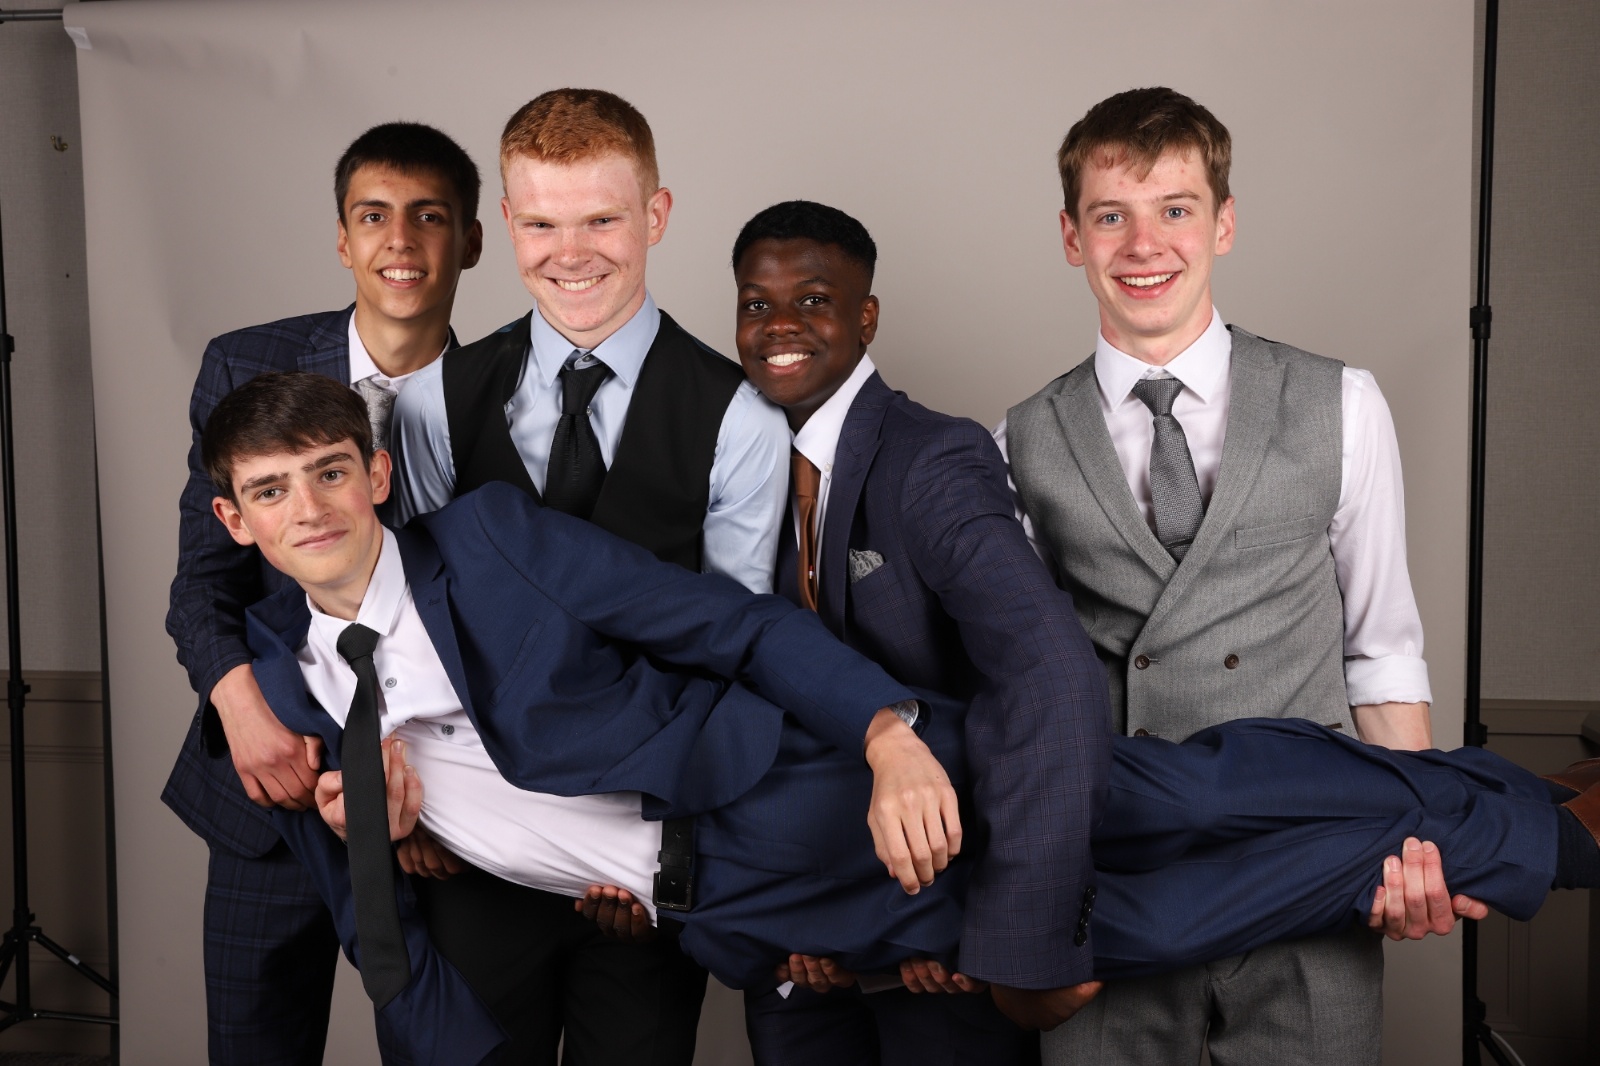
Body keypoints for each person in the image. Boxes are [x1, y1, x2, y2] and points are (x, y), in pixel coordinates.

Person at [212, 372, 1600, 1066]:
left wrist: (885, 733)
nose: (309, 509)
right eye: (272, 491)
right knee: (1160, 920)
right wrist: (385, 825)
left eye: (329, 472)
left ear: (377, 472)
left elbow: (734, 626)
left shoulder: (491, 540)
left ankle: (1542, 824)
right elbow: (373, 926)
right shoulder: (281, 691)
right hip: (743, 903)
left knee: (1181, 794)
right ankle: (1518, 828)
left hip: (794, 780)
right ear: (236, 520)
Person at [996, 86, 1447, 1063]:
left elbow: (1380, 650)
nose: (1143, 244)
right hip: (1115, 884)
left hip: (1309, 869)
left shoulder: (1343, 403)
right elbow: (1022, 699)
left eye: (1176, 209)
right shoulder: (1018, 440)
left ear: (1224, 223)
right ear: (1071, 237)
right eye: (1110, 216)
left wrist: (1419, 836)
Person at [386, 87, 790, 1061]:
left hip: (641, 858)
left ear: (656, 214)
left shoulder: (739, 418)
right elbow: (413, 628)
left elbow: (731, 648)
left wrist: (650, 850)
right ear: (505, 224)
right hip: (471, 855)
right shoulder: (433, 403)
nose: (570, 253)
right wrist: (419, 808)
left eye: (601, 220)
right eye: (541, 224)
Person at [161, 121, 482, 1064]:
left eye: (430, 216)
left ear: (471, 240)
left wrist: (422, 793)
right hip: (273, 784)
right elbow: (203, 581)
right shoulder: (244, 364)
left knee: (438, 1048)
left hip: (439, 811)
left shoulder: (507, 398)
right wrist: (242, 712)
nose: (400, 240)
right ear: (343, 239)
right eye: (373, 216)